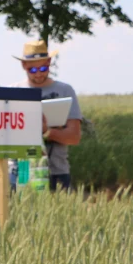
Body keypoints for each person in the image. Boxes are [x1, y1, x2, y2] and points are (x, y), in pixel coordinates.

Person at [11, 40, 82, 192]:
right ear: (23, 66)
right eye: (32, 70)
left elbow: (74, 137)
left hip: (57, 171)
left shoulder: (65, 90)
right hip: (22, 171)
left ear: (50, 62)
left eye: (43, 68)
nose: (38, 74)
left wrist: (46, 131)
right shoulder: (14, 91)